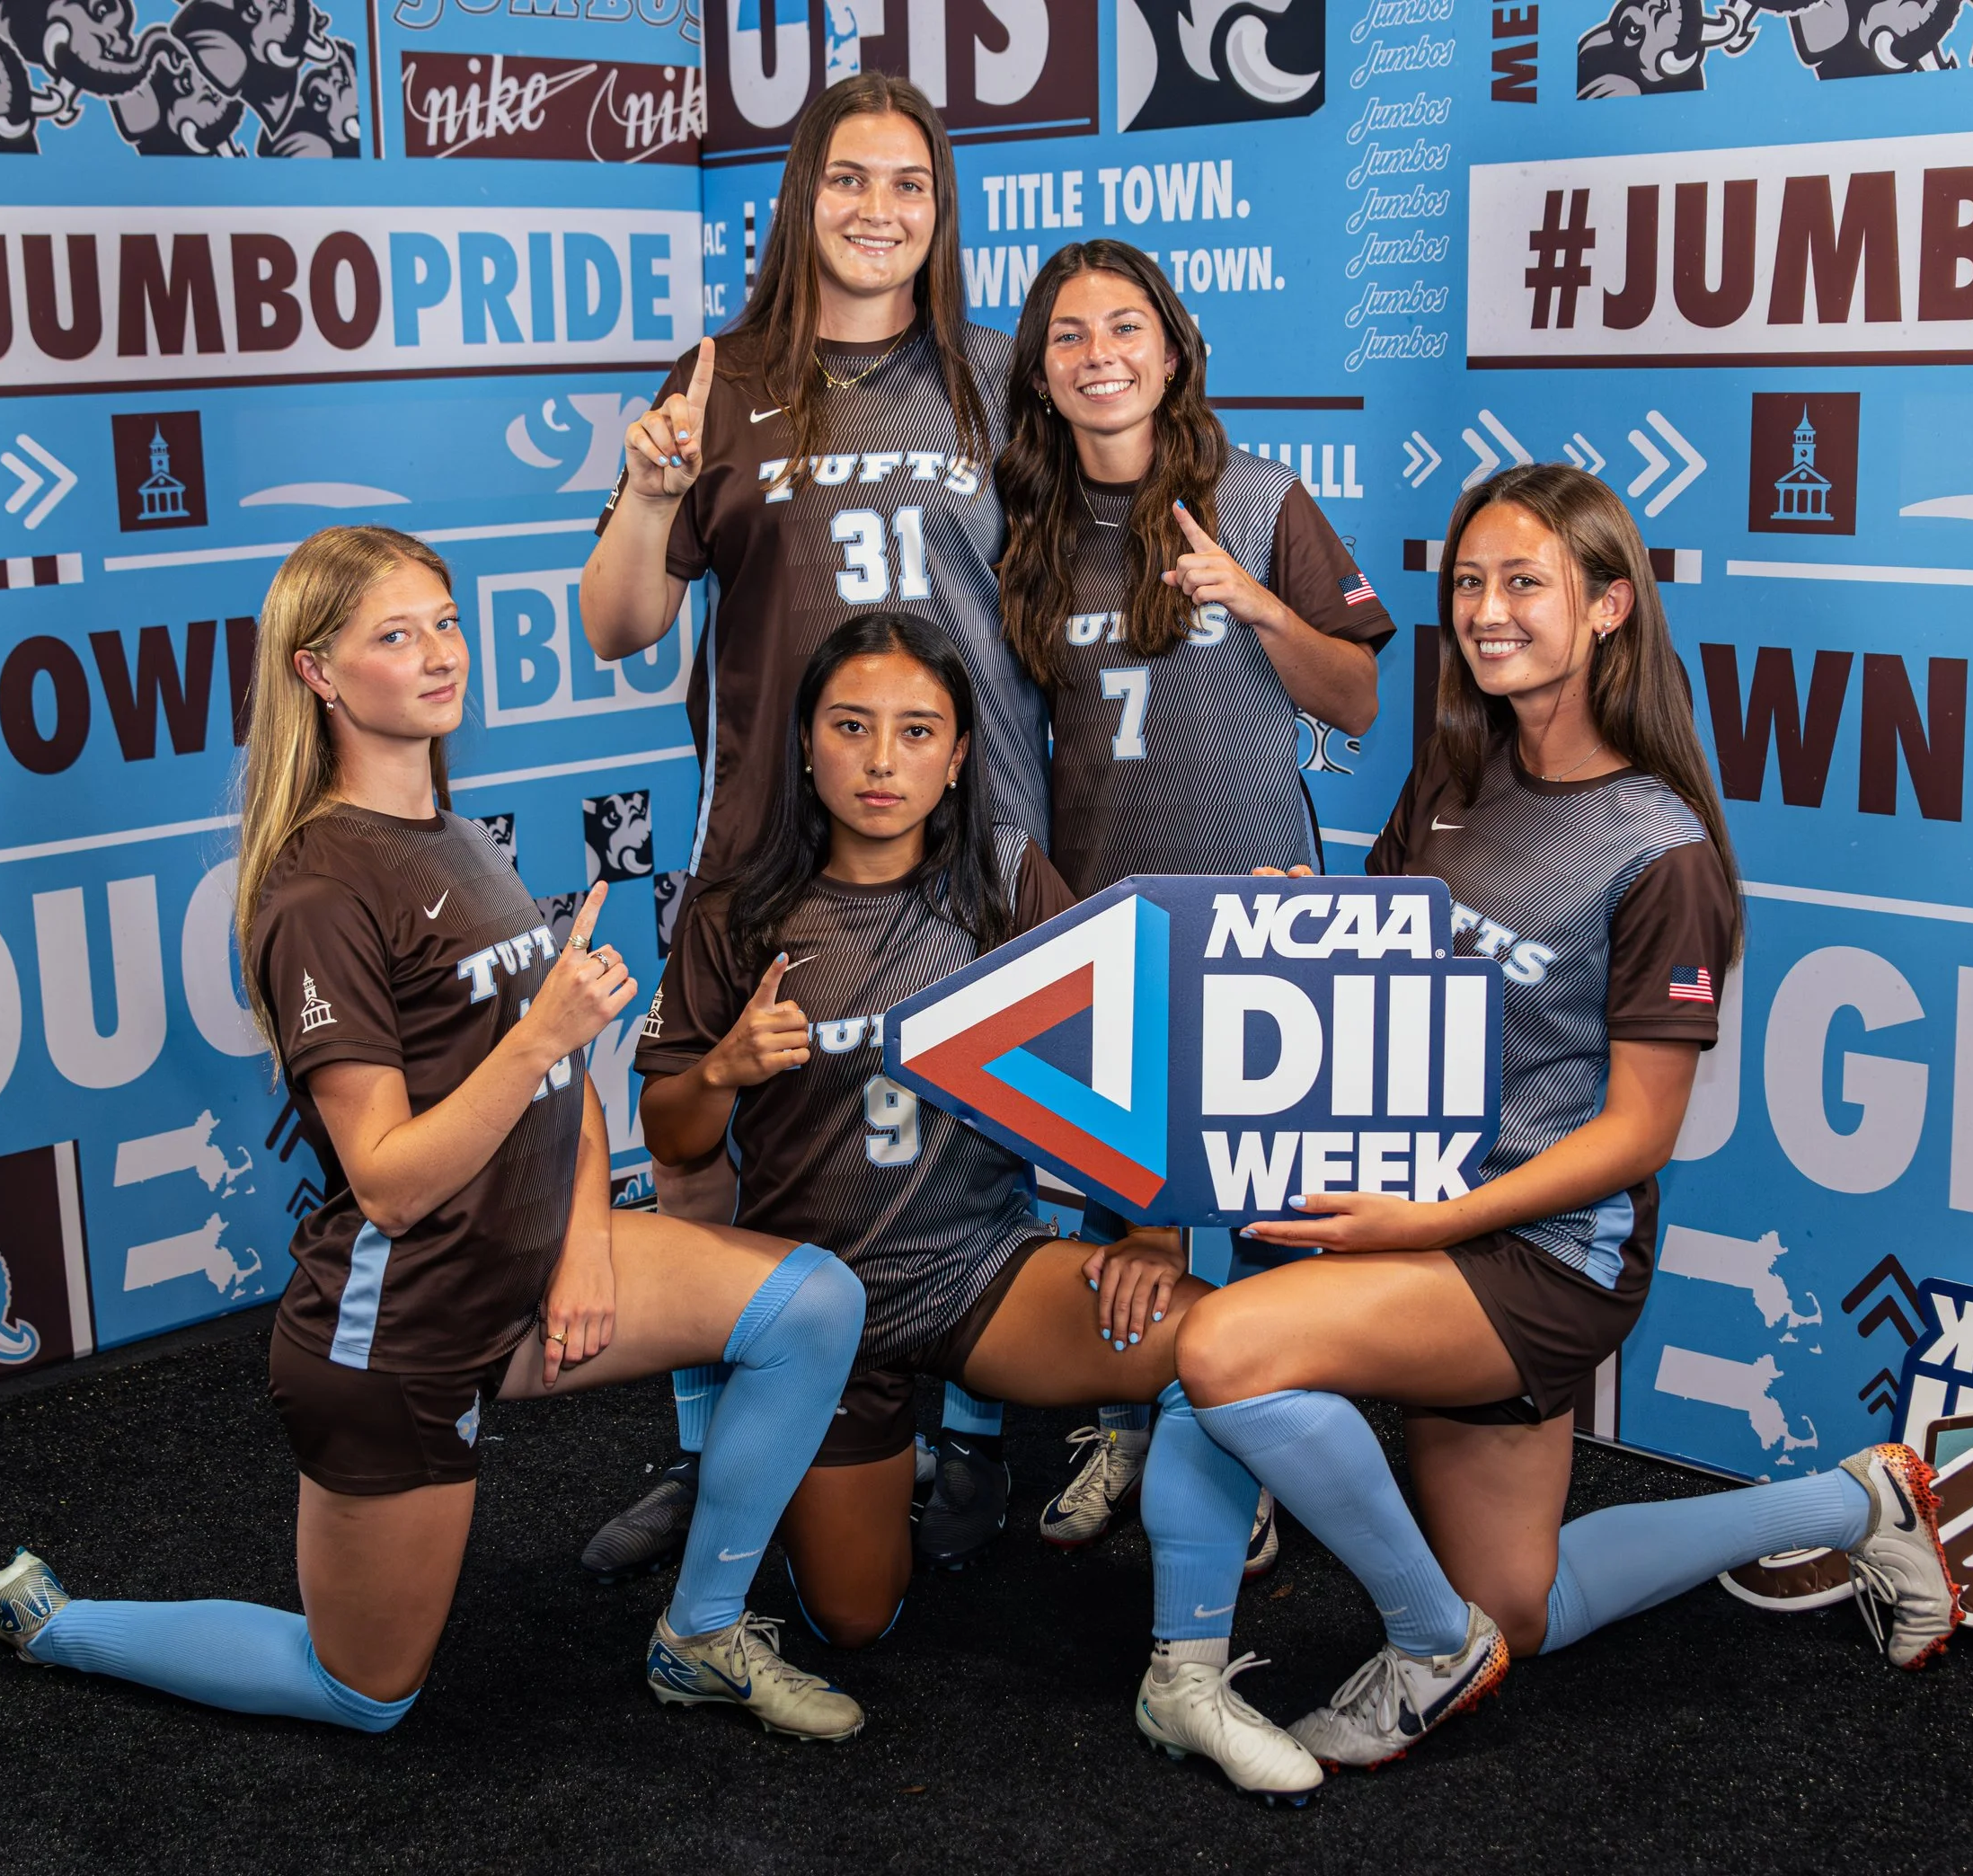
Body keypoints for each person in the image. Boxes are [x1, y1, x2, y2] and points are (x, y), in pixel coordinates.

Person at [0, 526, 869, 1742]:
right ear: (319, 674)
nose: (440, 653)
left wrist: (590, 1241)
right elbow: (390, 1183)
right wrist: (541, 1037)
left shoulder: (449, 830)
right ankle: (63, 1626)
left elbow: (565, 1089)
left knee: (812, 1305)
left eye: (446, 623)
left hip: (527, 1263)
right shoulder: (319, 889)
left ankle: (700, 1637)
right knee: (364, 1691)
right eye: (395, 636)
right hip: (397, 1334)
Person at [1170, 465, 1960, 1774]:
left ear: (1606, 607)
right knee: (1522, 1606)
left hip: (1542, 1252)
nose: (1486, 611)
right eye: (1470, 583)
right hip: (1431, 1209)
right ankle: (1857, 1500)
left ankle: (1428, 1646)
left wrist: (1429, 1222)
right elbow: (1382, 987)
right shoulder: (1456, 777)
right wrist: (1294, 928)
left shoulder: (1662, 851)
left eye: (1524, 582)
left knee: (1226, 1350)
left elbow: (1641, 1134)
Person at [635, 612, 1329, 1801]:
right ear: (805, 744)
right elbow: (673, 1134)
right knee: (856, 1622)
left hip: (982, 1275)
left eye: (917, 732)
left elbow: (1125, 1052)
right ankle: (877, 1461)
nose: (880, 761)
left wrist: (1155, 1231)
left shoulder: (1002, 879)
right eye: (850, 728)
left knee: (1221, 1344)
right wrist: (721, 1072)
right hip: (818, 1314)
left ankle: (1191, 1671)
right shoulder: (735, 906)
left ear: (960, 753)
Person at [580, 72, 1041, 1577]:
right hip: (765, 834)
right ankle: (715, 1451)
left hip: (974, 838)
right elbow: (617, 625)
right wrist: (649, 500)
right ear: (801, 196)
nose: (878, 210)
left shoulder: (993, 374)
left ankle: (967, 1444)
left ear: (942, 209)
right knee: (715, 1136)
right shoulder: (721, 373)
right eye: (849, 179)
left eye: (909, 184)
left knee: (985, 1115)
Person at [993, 239, 1397, 1557]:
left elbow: (1358, 698)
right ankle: (1132, 1421)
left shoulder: (1262, 496)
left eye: (1125, 327)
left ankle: (1264, 1446)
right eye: (1067, 336)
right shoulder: (1028, 531)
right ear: (1043, 375)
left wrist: (1258, 606)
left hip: (1267, 915)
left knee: (1272, 1211)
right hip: (1114, 916)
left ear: (1172, 350)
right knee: (1131, 1211)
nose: (1098, 353)